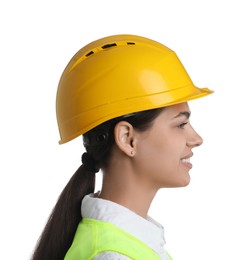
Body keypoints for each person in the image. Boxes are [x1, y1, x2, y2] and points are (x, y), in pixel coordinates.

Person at [31, 34, 213, 260]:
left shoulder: (125, 243)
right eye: (181, 124)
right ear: (127, 138)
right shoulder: (113, 255)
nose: (196, 138)